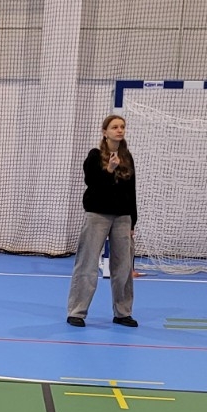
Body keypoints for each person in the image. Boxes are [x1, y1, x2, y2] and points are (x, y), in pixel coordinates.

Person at [68, 114, 138, 328]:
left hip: (122, 218)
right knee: (87, 263)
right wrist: (109, 170)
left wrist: (132, 222)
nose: (119, 130)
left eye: (122, 127)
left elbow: (131, 191)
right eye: (115, 127)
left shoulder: (127, 157)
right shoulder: (95, 155)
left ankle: (122, 312)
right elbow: (91, 182)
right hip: (97, 215)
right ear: (105, 132)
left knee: (123, 267)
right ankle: (77, 312)